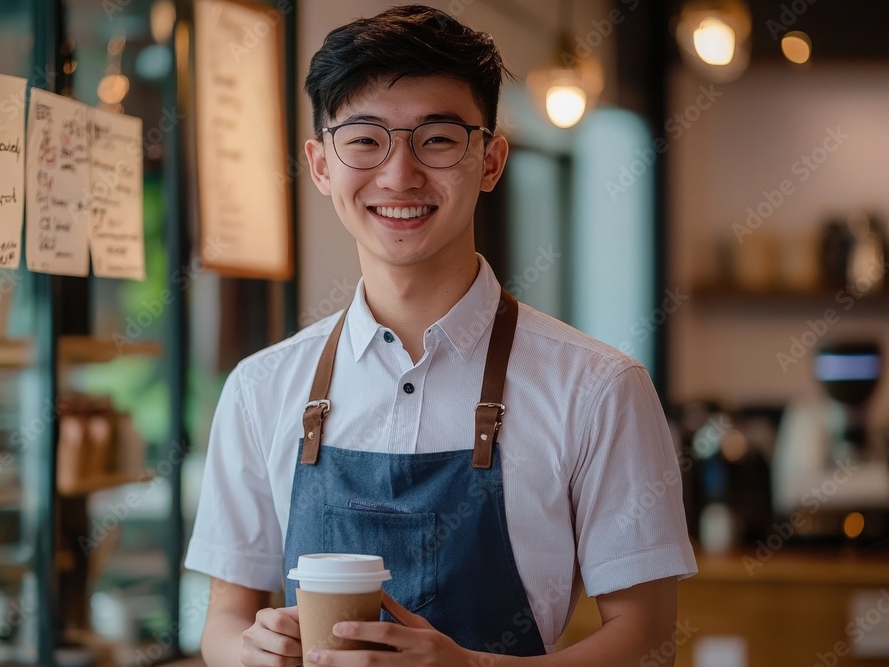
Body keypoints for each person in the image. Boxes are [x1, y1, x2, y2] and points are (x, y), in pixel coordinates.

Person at [185, 5, 697, 666]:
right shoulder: (260, 388)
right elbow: (225, 617)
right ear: (319, 165)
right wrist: (248, 652)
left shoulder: (599, 388)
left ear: (490, 160)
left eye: (437, 139)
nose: (399, 175)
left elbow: (648, 643)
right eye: (365, 139)